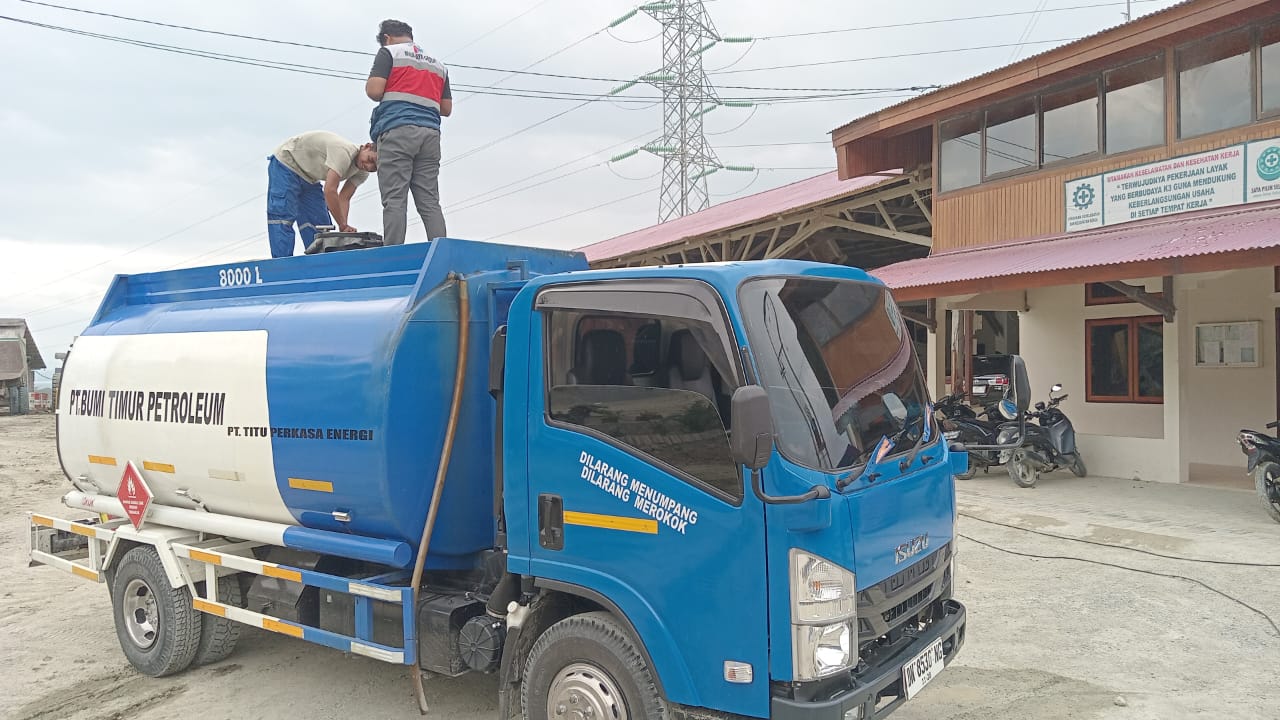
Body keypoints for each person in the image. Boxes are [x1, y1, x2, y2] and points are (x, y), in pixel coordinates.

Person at [365, 19, 452, 245]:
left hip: (398, 131)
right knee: (430, 200)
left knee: (395, 199)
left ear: (386, 38)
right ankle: (440, 252)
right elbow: (446, 108)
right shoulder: (438, 64)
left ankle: (393, 255)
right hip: (431, 134)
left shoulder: (389, 53)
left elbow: (374, 91)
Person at [267, 131, 377, 258]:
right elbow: (330, 190)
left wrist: (344, 226)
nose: (368, 166)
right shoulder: (344, 153)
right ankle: (282, 265)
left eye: (374, 168)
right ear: (367, 146)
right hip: (287, 163)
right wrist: (342, 224)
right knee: (282, 217)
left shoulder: (362, 172)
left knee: (320, 224)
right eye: (370, 159)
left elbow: (344, 198)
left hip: (310, 178)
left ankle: (318, 264)